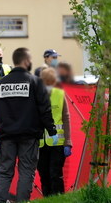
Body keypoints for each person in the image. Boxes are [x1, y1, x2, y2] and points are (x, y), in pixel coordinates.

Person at [0, 47, 58, 203]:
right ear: (26, 61)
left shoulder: (1, 83)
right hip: (29, 136)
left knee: (4, 172)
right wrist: (52, 130)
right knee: (26, 172)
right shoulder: (35, 82)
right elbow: (44, 109)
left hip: (7, 136)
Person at [37, 68, 73, 196]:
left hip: (58, 143)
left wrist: (68, 142)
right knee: (44, 175)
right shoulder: (36, 95)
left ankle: (59, 199)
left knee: (55, 174)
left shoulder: (59, 94)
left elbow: (66, 117)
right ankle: (48, 199)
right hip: (40, 143)